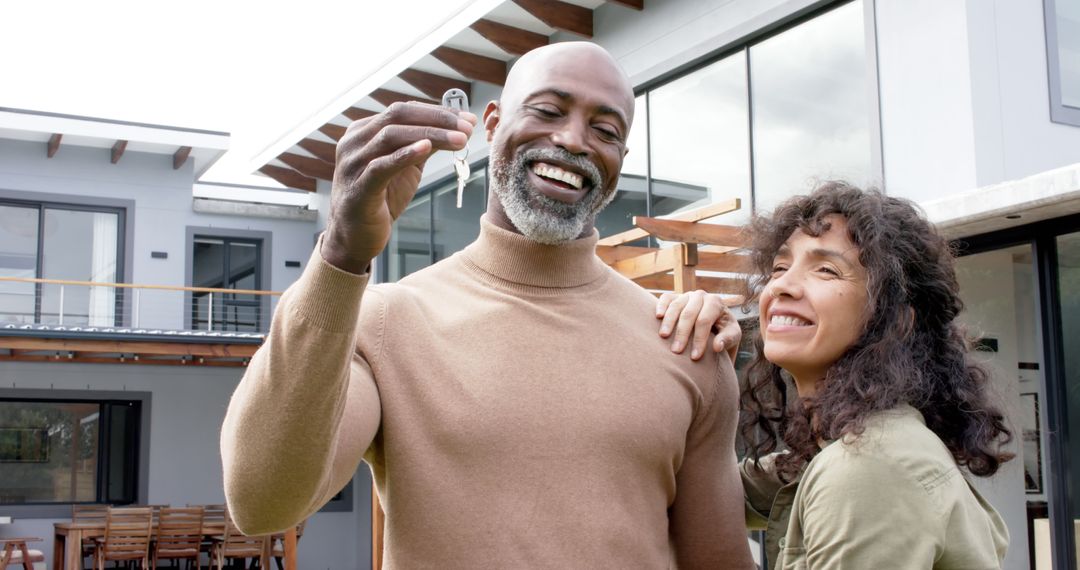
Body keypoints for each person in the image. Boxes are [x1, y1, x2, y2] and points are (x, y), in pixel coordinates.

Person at [220, 41, 754, 569]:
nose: (573, 140)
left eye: (605, 130)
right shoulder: (387, 321)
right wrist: (341, 252)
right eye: (547, 110)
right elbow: (263, 501)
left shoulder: (685, 342)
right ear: (493, 123)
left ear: (619, 160)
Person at [659, 181, 1013, 569]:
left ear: (894, 320)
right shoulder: (840, 447)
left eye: (826, 270)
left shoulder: (869, 467)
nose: (782, 286)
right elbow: (699, 488)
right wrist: (706, 373)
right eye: (779, 267)